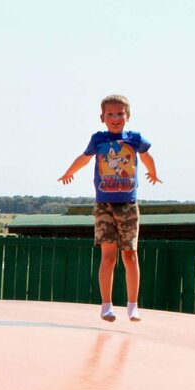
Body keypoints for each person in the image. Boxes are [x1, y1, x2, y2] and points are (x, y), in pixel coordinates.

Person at [58, 94, 160, 322]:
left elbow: (146, 156)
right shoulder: (99, 139)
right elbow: (85, 159)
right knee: (108, 256)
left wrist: (153, 172)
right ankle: (106, 305)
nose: (115, 118)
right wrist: (70, 172)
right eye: (110, 114)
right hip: (104, 204)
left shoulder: (134, 138)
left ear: (128, 116)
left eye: (120, 114)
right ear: (102, 117)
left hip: (128, 204)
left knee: (130, 254)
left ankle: (132, 305)